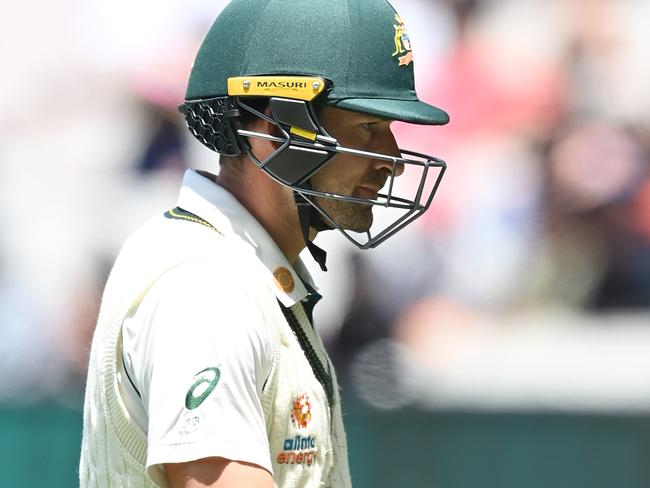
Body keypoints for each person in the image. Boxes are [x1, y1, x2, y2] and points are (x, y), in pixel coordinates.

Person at [79, 0, 449, 486]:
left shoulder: (243, 271)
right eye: (368, 127)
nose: (392, 160)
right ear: (275, 129)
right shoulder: (207, 290)